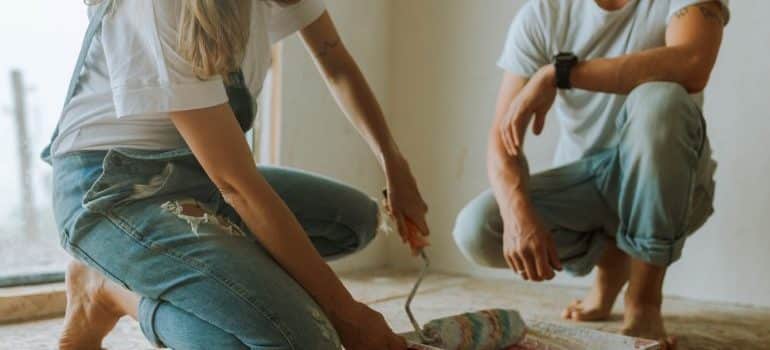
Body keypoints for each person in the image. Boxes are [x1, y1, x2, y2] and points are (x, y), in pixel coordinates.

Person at [47, 0, 428, 349]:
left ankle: (212, 277)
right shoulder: (161, 7)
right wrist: (347, 314)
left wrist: (394, 164)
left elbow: (337, 64)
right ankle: (108, 289)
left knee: (353, 221)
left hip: (199, 173)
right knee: (302, 341)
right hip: (115, 191)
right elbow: (238, 186)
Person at [453, 0, 729, 348]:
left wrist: (560, 73)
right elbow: (502, 137)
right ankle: (610, 271)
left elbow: (692, 62)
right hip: (589, 182)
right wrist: (517, 213)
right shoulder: (543, 13)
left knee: (661, 100)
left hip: (676, 185)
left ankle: (643, 301)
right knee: (479, 229)